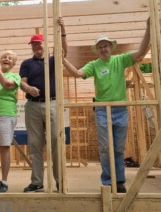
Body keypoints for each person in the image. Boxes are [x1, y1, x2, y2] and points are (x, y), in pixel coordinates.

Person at [62, 18, 151, 193]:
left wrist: (149, 28)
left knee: (118, 148)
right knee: (104, 148)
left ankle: (119, 181)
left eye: (106, 45)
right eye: (100, 46)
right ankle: (108, 181)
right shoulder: (94, 65)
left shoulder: (121, 60)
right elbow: (78, 74)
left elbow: (141, 52)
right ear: (97, 50)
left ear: (111, 47)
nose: (104, 49)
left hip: (120, 109)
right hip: (103, 110)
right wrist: (63, 60)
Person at [19, 17, 68, 192]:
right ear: (31, 47)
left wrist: (62, 31)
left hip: (52, 104)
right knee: (34, 143)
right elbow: (22, 83)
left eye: (39, 44)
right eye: (34, 45)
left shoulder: (53, 60)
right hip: (32, 105)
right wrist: (29, 88)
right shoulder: (26, 63)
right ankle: (37, 182)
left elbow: (64, 52)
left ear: (44, 45)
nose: (37, 47)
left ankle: (60, 181)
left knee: (56, 140)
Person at [0, 50, 21, 193]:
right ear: (1, 61)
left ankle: (4, 182)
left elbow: (6, 84)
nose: (6, 59)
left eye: (10, 58)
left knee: (4, 147)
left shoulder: (15, 76)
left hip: (5, 113)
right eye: (4, 57)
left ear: (13, 63)